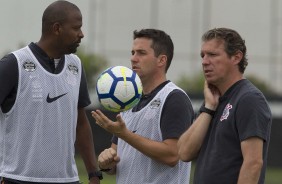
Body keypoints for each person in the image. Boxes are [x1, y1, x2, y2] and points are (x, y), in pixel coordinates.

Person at [0, 1, 101, 184]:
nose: (81, 34)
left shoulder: (75, 66)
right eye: (76, 28)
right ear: (57, 28)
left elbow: (81, 123)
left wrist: (94, 173)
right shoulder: (14, 64)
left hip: (67, 180)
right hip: (18, 178)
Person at [91, 29, 194, 184]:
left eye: (141, 53)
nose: (133, 58)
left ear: (161, 60)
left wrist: (125, 134)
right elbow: (117, 161)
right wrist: (106, 163)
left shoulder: (174, 98)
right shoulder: (128, 100)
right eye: (132, 52)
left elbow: (172, 155)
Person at [177, 27, 272, 184]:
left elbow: (253, 163)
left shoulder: (249, 99)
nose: (204, 61)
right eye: (203, 55)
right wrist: (208, 107)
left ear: (236, 57)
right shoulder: (213, 100)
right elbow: (184, 152)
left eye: (212, 55)